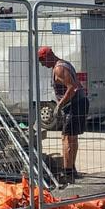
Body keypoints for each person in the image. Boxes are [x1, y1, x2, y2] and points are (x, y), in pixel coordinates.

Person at [37, 46, 90, 184]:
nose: (42, 64)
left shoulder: (59, 68)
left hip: (75, 104)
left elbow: (72, 88)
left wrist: (59, 105)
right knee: (72, 138)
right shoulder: (63, 64)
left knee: (66, 138)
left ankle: (67, 173)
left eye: (42, 60)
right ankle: (71, 169)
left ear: (49, 56)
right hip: (78, 102)